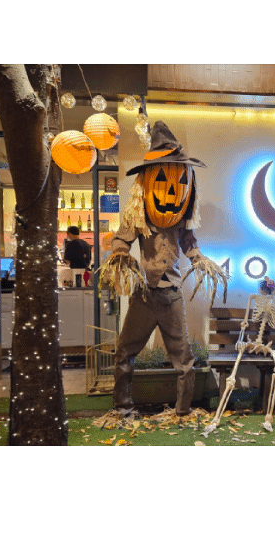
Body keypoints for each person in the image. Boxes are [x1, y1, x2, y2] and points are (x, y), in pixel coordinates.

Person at [101, 121, 226, 421]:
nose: (170, 188)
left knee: (183, 358)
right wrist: (120, 254)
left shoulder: (180, 215)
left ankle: (182, 411)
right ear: (146, 180)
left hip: (171, 296)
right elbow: (122, 238)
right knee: (125, 352)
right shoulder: (138, 213)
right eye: (160, 177)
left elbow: (188, 241)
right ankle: (122, 408)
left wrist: (199, 258)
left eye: (178, 178)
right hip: (143, 295)